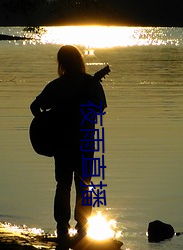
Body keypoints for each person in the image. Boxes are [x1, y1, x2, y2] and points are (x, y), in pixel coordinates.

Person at [30, 45, 107, 243]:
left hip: (61, 143)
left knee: (63, 184)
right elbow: (100, 108)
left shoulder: (57, 85)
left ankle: (62, 227)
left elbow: (34, 106)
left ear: (62, 63)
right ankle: (83, 228)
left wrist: (47, 121)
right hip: (85, 142)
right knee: (85, 185)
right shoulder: (90, 83)